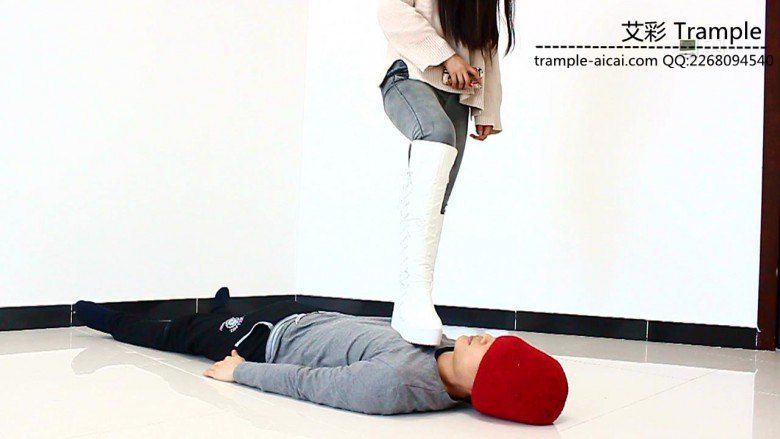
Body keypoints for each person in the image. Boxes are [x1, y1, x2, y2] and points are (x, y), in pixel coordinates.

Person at [73, 287, 568, 425]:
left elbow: (310, 383)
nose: (484, 337)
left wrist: (243, 371)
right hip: (307, 314)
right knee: (230, 312)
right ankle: (225, 307)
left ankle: (106, 320)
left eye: (494, 355)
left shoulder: (393, 386)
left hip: (265, 339)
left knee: (179, 332)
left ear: (485, 390)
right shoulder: (440, 349)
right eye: (497, 340)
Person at [377, 0, 515, 346]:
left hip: (457, 93)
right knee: (436, 135)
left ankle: (411, 302)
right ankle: (416, 297)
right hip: (409, 74)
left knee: (438, 197)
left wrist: (488, 110)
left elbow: (486, 46)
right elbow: (391, 11)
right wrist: (447, 57)